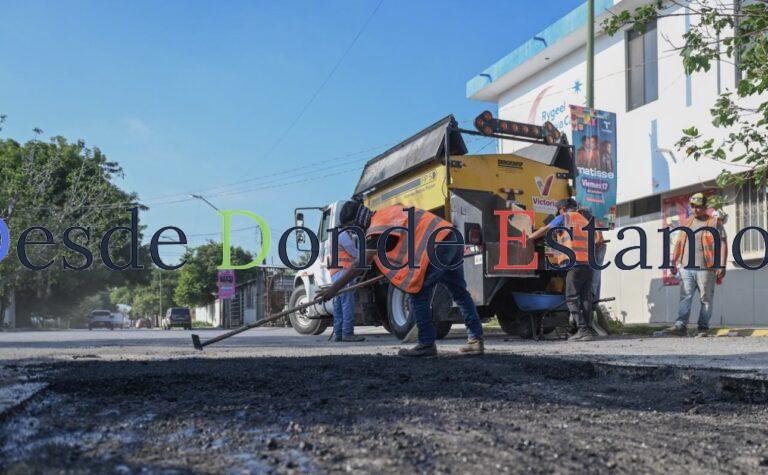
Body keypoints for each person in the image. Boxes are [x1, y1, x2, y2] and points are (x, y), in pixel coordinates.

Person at [316, 200, 484, 357]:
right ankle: (475, 340)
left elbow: (359, 265)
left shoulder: (376, 231)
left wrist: (333, 290)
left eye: (351, 228)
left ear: (356, 222)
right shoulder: (388, 212)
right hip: (451, 237)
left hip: (438, 246)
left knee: (417, 292)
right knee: (460, 294)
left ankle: (426, 344)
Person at [529, 198, 601, 341]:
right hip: (588, 265)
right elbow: (597, 240)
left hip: (574, 265)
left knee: (571, 298)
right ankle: (587, 330)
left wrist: (529, 238)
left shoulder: (565, 217)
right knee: (586, 298)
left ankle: (583, 330)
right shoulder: (584, 220)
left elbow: (546, 229)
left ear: (562, 209)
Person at [666, 193, 728, 337]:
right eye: (693, 206)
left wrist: (722, 265)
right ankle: (680, 326)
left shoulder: (714, 223)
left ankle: (703, 328)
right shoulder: (687, 222)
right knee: (685, 297)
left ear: (705, 207)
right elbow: (679, 243)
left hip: (706, 268)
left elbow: (723, 243)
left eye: (699, 207)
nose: (695, 209)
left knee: (705, 299)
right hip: (686, 268)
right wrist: (673, 262)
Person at [328, 227, 365, 342]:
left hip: (335, 273)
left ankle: (338, 334)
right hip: (343, 272)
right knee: (347, 303)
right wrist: (367, 255)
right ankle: (347, 333)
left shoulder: (335, 236)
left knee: (338, 304)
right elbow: (353, 251)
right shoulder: (343, 235)